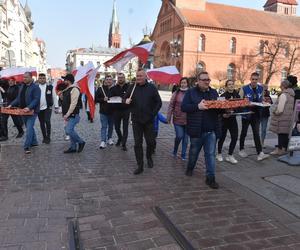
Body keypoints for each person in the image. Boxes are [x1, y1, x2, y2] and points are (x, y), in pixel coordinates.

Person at [181, 71, 220, 189]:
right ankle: (190, 168)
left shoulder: (213, 92)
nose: (207, 81)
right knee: (193, 153)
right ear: (198, 81)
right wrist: (197, 106)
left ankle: (210, 178)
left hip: (210, 130)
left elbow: (218, 108)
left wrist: (226, 111)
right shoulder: (190, 93)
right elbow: (184, 107)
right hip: (196, 130)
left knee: (210, 155)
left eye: (208, 79)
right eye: (204, 80)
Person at [125, 69, 162, 175]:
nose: (138, 78)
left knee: (150, 142)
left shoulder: (151, 88)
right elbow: (124, 99)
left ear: (146, 77)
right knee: (138, 143)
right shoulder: (132, 88)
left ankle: (149, 156)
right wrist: (125, 101)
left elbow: (158, 102)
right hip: (136, 120)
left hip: (149, 120)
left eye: (141, 76)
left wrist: (153, 114)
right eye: (137, 76)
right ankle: (140, 165)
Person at [239, 72, 269, 161]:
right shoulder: (244, 88)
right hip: (246, 114)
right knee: (244, 132)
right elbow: (239, 102)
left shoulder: (261, 88)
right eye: (253, 79)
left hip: (256, 114)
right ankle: (241, 149)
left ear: (258, 80)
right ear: (250, 79)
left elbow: (262, 99)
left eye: (256, 79)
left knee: (256, 133)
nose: (254, 81)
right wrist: (245, 103)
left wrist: (264, 102)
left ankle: (260, 153)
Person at [9, 72, 41, 154]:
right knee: (29, 127)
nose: (24, 79)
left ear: (31, 77)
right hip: (23, 111)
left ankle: (27, 146)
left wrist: (29, 107)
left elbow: (36, 99)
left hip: (32, 112)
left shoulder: (36, 87)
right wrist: (11, 105)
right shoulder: (22, 86)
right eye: (23, 77)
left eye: (26, 77)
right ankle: (34, 142)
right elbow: (18, 98)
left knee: (29, 128)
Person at [60, 73, 85, 153]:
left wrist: (67, 114)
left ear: (69, 81)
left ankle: (81, 142)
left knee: (69, 130)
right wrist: (61, 97)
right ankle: (73, 147)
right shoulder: (67, 89)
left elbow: (73, 103)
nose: (64, 81)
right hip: (68, 114)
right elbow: (64, 102)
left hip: (73, 114)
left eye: (65, 80)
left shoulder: (74, 89)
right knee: (69, 130)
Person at [216, 80, 240, 164]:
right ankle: (219, 153)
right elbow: (218, 108)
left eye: (232, 84)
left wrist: (235, 111)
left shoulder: (237, 95)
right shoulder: (222, 96)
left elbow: (240, 106)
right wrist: (223, 115)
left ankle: (230, 155)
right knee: (222, 137)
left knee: (235, 137)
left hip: (233, 119)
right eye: (229, 84)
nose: (231, 86)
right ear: (226, 86)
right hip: (224, 120)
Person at [269, 80, 295, 155]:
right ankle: (284, 148)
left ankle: (280, 150)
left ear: (283, 86)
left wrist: (274, 111)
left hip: (281, 118)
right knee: (285, 134)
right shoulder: (291, 95)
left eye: (281, 85)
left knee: (281, 134)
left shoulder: (284, 95)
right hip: (288, 118)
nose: (280, 86)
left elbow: (280, 110)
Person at [167, 77, 189, 160]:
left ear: (187, 84)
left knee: (186, 139)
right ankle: (175, 149)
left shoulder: (190, 93)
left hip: (188, 119)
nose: (183, 84)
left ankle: (183, 155)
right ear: (180, 84)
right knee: (179, 136)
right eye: (182, 83)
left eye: (185, 83)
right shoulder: (176, 93)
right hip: (177, 118)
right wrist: (168, 117)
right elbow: (171, 105)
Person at [110, 72, 130, 151]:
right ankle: (120, 138)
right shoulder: (113, 88)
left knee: (125, 128)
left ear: (124, 78)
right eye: (119, 78)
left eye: (122, 77)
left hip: (126, 110)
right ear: (117, 79)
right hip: (116, 111)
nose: (120, 79)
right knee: (117, 127)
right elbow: (110, 98)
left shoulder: (129, 87)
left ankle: (124, 144)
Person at [1, 77, 24, 141]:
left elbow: (17, 98)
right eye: (9, 81)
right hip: (7, 107)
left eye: (12, 80)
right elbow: (6, 95)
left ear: (14, 81)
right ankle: (5, 136)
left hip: (13, 107)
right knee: (4, 121)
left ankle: (21, 131)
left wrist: (12, 104)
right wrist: (1, 89)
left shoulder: (17, 88)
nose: (10, 82)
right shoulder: (9, 87)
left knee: (16, 121)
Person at [95, 75, 114, 149]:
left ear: (112, 81)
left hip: (112, 111)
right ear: (105, 80)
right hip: (103, 111)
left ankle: (109, 138)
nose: (108, 81)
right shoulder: (100, 89)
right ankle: (103, 141)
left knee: (111, 126)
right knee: (104, 126)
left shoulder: (114, 89)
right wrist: (103, 99)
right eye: (107, 79)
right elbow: (96, 99)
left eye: (110, 79)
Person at [37, 73, 55, 144]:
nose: (42, 80)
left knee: (47, 121)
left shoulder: (50, 87)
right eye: (40, 78)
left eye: (43, 78)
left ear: (45, 79)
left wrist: (56, 106)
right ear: (38, 79)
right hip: (39, 108)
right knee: (41, 123)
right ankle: (44, 137)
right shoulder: (36, 87)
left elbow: (54, 96)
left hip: (48, 107)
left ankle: (48, 137)